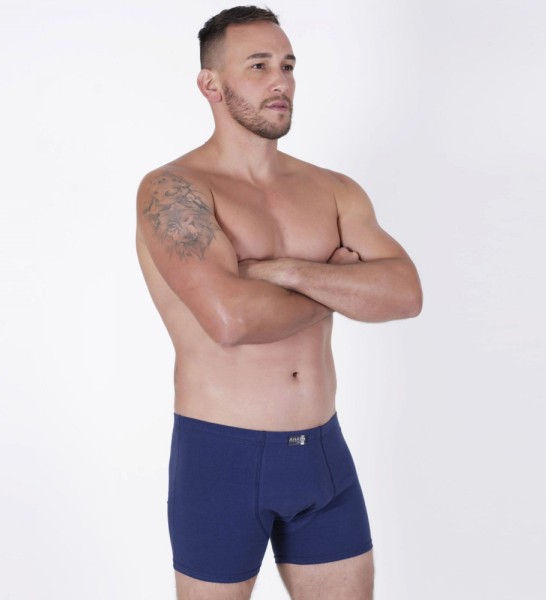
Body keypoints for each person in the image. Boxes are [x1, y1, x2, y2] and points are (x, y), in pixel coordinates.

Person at [136, 6, 422, 599]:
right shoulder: (175, 190)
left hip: (323, 453)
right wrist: (339, 282)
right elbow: (230, 319)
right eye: (258, 65)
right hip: (222, 456)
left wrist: (289, 271)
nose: (279, 82)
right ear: (211, 84)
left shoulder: (333, 189)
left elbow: (404, 293)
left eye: (288, 66)